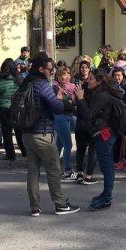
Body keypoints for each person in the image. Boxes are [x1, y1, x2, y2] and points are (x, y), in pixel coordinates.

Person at [21, 53, 80, 217]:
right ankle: (60, 204)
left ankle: (35, 207)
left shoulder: (25, 83)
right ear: (41, 69)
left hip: (26, 133)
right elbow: (57, 107)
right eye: (50, 69)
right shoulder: (43, 85)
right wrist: (62, 101)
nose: (52, 72)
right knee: (53, 169)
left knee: (33, 171)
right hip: (43, 133)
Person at [74, 68, 123, 209]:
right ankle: (106, 194)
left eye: (91, 79)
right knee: (105, 166)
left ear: (99, 81)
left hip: (105, 134)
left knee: (106, 167)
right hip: (103, 133)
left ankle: (107, 197)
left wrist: (81, 99)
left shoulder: (103, 95)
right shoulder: (99, 93)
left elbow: (88, 114)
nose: (88, 81)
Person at [0, 59, 24, 162]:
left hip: (3, 107)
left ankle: (10, 155)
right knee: (19, 130)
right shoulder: (19, 78)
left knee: (6, 132)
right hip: (18, 108)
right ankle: (24, 151)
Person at [53, 66, 76, 178]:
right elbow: (59, 104)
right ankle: (67, 170)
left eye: (68, 74)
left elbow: (74, 102)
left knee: (59, 144)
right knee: (68, 144)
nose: (67, 77)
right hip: (60, 117)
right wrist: (69, 101)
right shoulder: (55, 87)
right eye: (64, 74)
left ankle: (53, 168)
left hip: (69, 116)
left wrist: (68, 101)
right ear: (59, 75)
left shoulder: (72, 87)